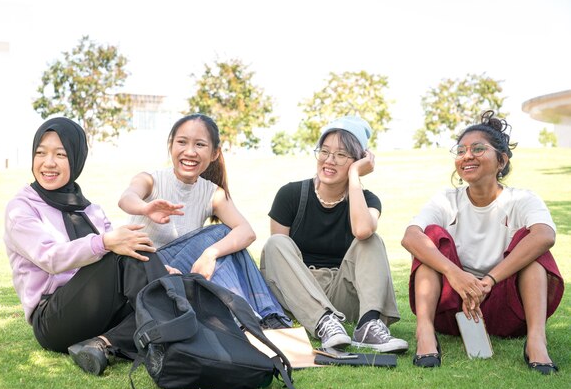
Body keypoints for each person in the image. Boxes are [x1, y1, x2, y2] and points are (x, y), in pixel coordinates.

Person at [4, 117, 170, 376]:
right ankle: (172, 339)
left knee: (163, 275)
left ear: (77, 158)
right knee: (126, 258)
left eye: (61, 154)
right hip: (53, 319)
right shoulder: (22, 208)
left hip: (97, 311)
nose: (48, 163)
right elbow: (50, 257)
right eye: (41, 153)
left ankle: (102, 344)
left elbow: (121, 256)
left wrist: (160, 270)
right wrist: (104, 242)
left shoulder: (91, 210)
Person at [402, 111, 564, 374]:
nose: (467, 155)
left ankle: (536, 341)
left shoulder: (521, 199)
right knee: (428, 236)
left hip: (506, 309)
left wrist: (487, 281)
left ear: (502, 160)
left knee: (531, 241)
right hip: (453, 310)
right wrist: (456, 275)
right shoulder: (446, 199)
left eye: (478, 149)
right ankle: (425, 333)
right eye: (461, 150)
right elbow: (410, 237)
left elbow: (546, 235)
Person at [118, 113, 291, 329]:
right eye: (182, 142)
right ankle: (265, 316)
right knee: (221, 233)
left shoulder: (211, 192)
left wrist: (210, 254)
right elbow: (126, 198)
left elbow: (247, 232)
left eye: (200, 144)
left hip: (179, 274)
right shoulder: (150, 180)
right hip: (147, 268)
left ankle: (252, 319)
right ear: (171, 145)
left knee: (230, 247)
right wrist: (145, 207)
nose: (190, 152)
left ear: (214, 153)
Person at [260, 115, 408, 352]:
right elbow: (278, 263)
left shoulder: (368, 200)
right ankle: (323, 322)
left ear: (359, 160)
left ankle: (368, 325)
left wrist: (354, 177)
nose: (330, 160)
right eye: (325, 151)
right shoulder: (290, 195)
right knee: (276, 243)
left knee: (371, 239)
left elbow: (362, 230)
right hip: (299, 292)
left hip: (344, 294)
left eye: (341, 155)